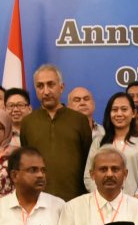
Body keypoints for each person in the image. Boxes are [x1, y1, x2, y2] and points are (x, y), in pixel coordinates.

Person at [19, 64, 93, 202]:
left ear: (61, 87)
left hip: (75, 200)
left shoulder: (79, 120)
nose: (46, 91)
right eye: (40, 86)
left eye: (50, 84)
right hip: (38, 200)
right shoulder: (28, 122)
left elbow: (87, 161)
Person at [86, 92, 138, 204]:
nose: (119, 114)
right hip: (102, 204)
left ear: (133, 113)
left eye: (124, 109)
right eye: (114, 110)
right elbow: (89, 176)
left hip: (136, 205)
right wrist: (103, 198)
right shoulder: (99, 142)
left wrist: (135, 200)